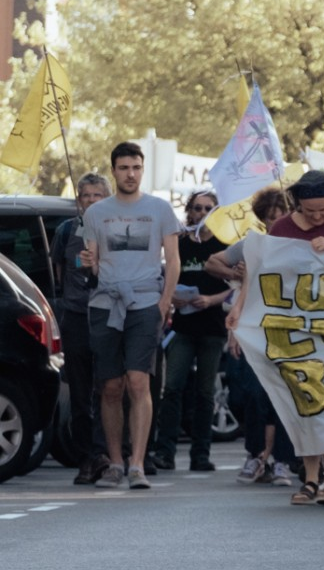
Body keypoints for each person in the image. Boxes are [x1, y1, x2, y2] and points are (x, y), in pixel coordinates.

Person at [227, 170, 324, 507]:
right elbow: (259, 272)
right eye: (311, 211)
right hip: (294, 329)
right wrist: (239, 307)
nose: (319, 217)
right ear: (297, 204)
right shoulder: (282, 228)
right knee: (305, 404)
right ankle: (310, 478)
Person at [80, 142, 182, 490]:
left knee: (139, 381)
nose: (130, 174)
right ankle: (115, 462)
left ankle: (137, 464)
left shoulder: (160, 208)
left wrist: (164, 303)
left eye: (136, 167)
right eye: (124, 168)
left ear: (142, 169)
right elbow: (91, 264)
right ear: (114, 171)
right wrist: (87, 262)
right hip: (105, 304)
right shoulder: (95, 213)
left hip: (145, 303)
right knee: (111, 386)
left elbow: (174, 260)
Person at [206, 185, 297, 488]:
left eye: (281, 215)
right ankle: (257, 453)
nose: (276, 222)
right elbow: (213, 262)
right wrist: (238, 274)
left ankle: (281, 460)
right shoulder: (253, 245)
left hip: (289, 330)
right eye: (270, 216)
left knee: (284, 396)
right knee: (249, 393)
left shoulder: (299, 246)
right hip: (254, 330)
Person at [152, 190, 230, 472]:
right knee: (173, 388)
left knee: (205, 393)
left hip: (212, 327)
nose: (202, 213)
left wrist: (210, 300)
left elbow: (236, 286)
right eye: (197, 208)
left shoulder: (224, 244)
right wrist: (172, 298)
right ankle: (165, 452)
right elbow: (166, 278)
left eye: (208, 208)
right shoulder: (181, 243)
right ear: (189, 211)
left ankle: (201, 454)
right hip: (183, 327)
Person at [48, 172, 111, 485]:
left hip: (108, 315)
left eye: (98, 195)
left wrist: (97, 266)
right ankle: (86, 458)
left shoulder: (116, 229)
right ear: (79, 200)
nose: (92, 201)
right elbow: (60, 270)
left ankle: (110, 454)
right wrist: (80, 266)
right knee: (80, 393)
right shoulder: (66, 230)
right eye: (87, 196)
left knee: (109, 389)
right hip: (75, 317)